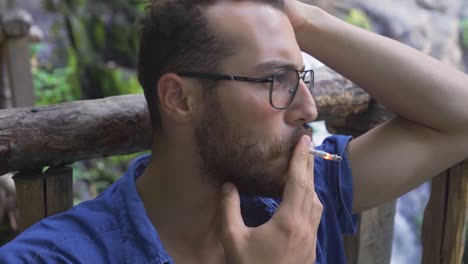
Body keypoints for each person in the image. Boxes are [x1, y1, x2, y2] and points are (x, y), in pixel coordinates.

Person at [1, 0, 468, 263]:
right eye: (276, 81)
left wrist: (302, 18)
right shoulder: (56, 259)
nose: (309, 107)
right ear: (180, 99)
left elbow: (459, 116)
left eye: (301, 77)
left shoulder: (298, 202)